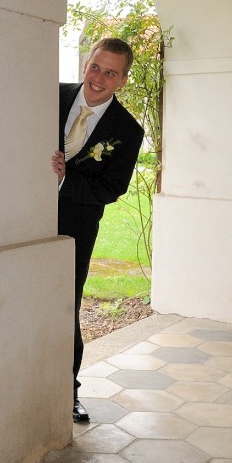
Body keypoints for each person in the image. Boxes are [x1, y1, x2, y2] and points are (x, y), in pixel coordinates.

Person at [52, 38, 144, 423]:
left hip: (76, 226)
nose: (98, 78)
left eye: (110, 73)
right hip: (23, 217)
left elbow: (112, 188)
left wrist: (64, 178)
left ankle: (67, 391)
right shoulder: (50, 95)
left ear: (122, 80)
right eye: (95, 67)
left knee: (65, 303)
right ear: (86, 63)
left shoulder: (128, 130)